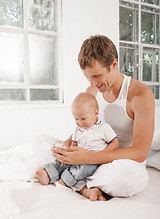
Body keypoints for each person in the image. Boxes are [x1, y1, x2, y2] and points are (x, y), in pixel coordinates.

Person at [52, 35, 155, 201]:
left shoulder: (140, 94)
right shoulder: (92, 90)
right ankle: (84, 184)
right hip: (88, 154)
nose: (92, 84)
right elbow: (82, 126)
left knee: (130, 179)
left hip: (119, 162)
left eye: (96, 76)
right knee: (40, 143)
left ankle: (73, 180)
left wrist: (89, 157)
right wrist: (64, 147)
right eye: (87, 77)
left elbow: (140, 153)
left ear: (114, 64)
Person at [36, 92, 119, 190]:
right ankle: (49, 173)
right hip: (77, 156)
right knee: (62, 161)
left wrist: (102, 154)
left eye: (83, 119)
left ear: (96, 113)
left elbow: (115, 143)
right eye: (76, 119)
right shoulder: (77, 129)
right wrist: (66, 152)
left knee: (83, 169)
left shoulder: (103, 128)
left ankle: (67, 180)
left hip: (92, 160)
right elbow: (74, 144)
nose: (80, 123)